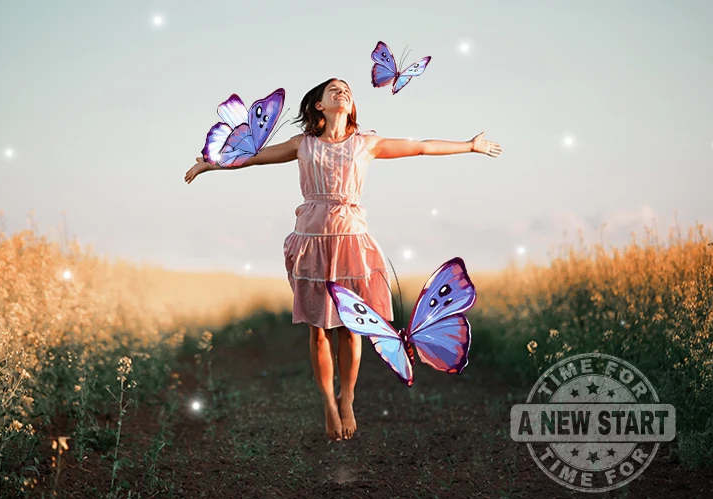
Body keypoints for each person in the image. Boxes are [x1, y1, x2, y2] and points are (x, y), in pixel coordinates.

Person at [185, 78, 502, 441]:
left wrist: (470, 146)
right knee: (319, 330)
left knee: (353, 326)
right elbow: (253, 157)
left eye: (347, 90)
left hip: (352, 242)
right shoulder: (301, 145)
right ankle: (328, 403)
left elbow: (421, 147)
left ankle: (347, 397)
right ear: (318, 105)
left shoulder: (366, 144)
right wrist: (211, 165)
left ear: (351, 106)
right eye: (334, 89)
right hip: (311, 242)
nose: (343, 92)